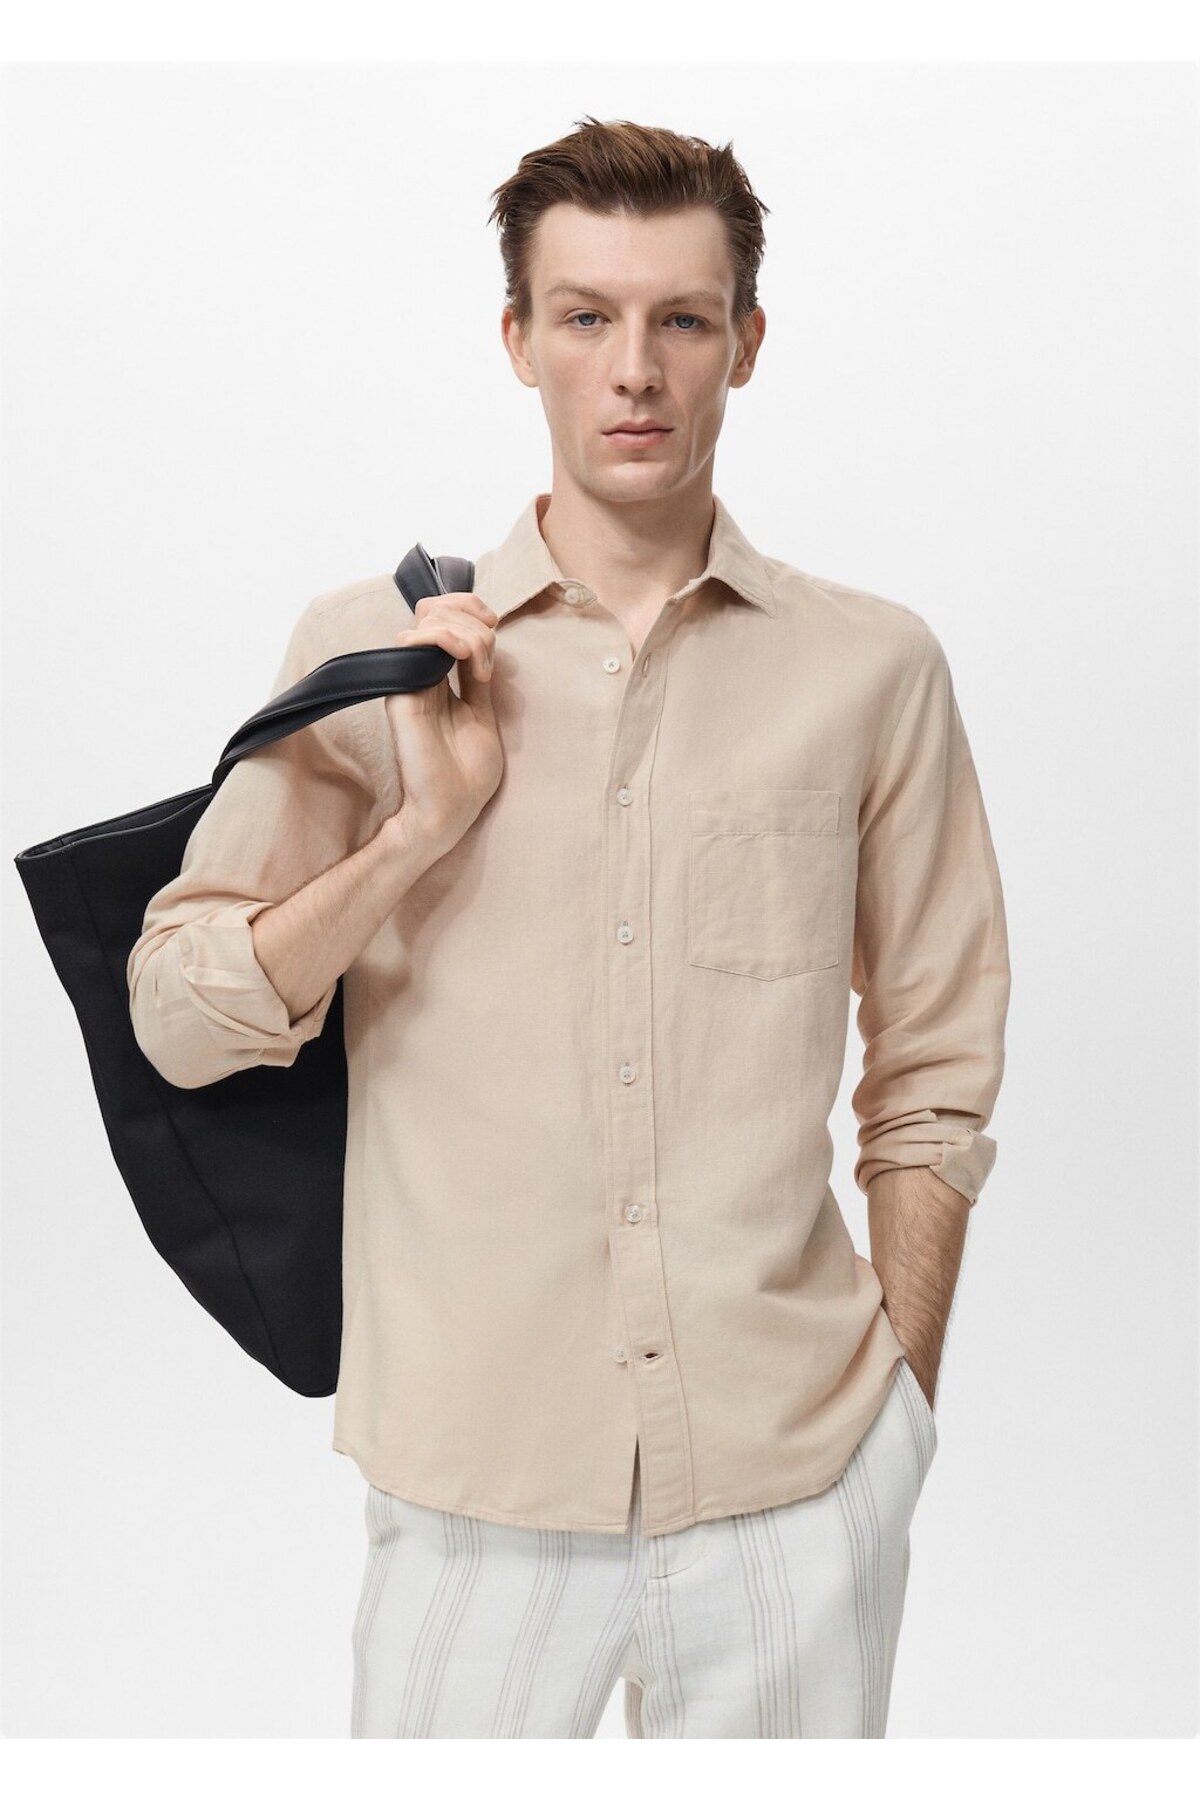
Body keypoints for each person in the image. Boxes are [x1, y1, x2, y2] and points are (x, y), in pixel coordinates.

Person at [126, 115, 1010, 1738]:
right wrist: (419, 829)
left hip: (795, 1485)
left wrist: (901, 1417)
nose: (636, 370)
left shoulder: (872, 670)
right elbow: (180, 1020)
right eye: (588, 316)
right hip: (475, 1493)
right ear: (519, 339)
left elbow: (936, 1073)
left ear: (748, 342)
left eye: (683, 319)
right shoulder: (375, 652)